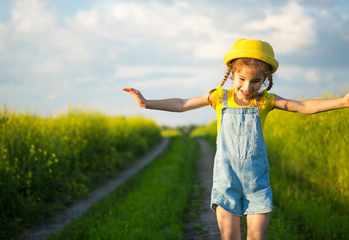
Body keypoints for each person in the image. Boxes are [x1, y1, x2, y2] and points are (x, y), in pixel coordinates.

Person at [122, 38, 349, 240]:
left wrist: (343, 102)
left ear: (265, 79)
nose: (247, 87)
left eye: (256, 81)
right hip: (226, 181)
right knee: (230, 236)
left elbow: (303, 106)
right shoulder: (220, 97)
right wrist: (146, 103)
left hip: (256, 182)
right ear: (232, 73)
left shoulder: (265, 101)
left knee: (257, 236)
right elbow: (182, 104)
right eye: (241, 79)